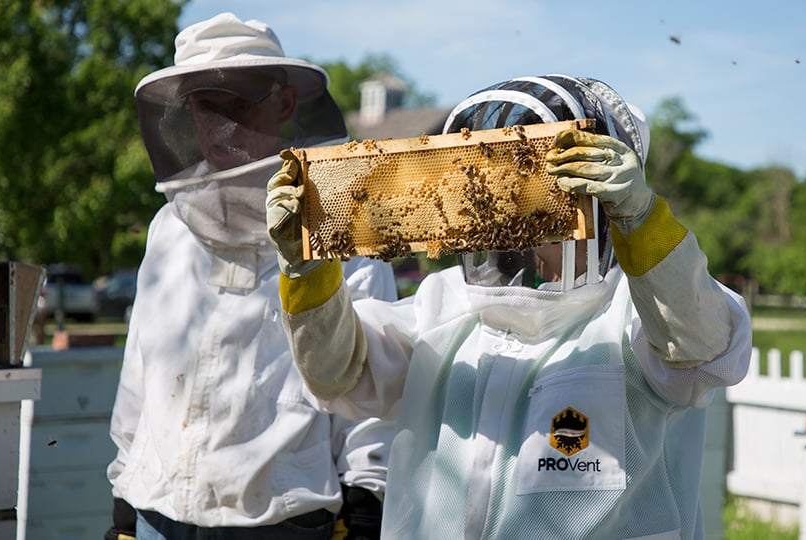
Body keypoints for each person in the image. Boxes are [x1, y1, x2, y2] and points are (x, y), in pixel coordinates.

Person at [266, 75, 753, 539]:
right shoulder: (445, 307)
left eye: (545, 199)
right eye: (507, 201)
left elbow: (704, 348)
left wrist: (644, 221)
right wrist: (306, 269)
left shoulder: (634, 315)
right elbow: (339, 374)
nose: (527, 228)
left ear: (602, 206)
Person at [105, 12, 397, 540]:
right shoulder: (169, 227)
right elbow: (142, 370)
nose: (221, 125)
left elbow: (367, 379)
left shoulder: (340, 225)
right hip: (158, 514)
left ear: (284, 103)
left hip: (282, 520)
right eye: (204, 107)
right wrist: (124, 496)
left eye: (237, 104)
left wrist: (365, 506)